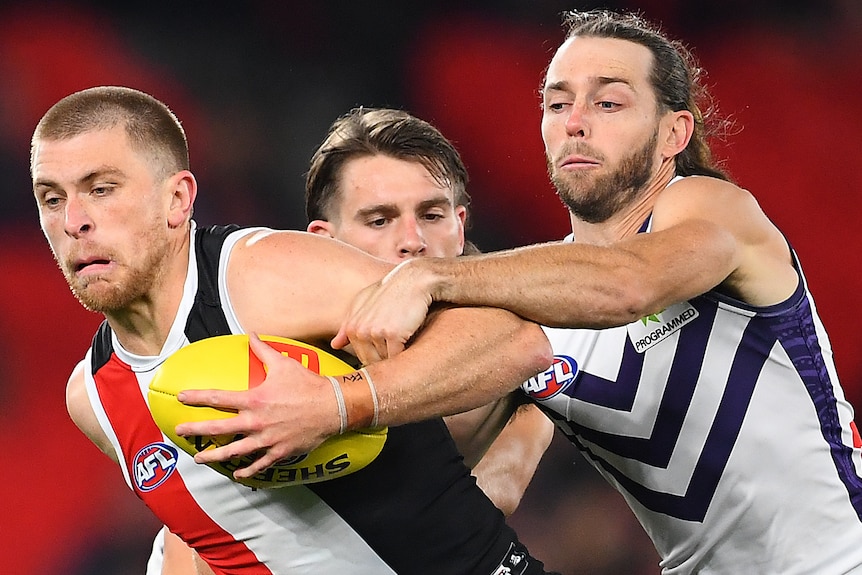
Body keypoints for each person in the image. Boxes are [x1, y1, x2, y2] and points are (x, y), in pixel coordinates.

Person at [179, 9, 862, 574]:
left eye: (609, 101)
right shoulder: (530, 312)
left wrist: (429, 280)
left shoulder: (711, 210)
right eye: (557, 102)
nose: (575, 121)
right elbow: (471, 493)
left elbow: (626, 283)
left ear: (673, 133)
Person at [31, 85, 556, 575]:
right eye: (52, 199)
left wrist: (336, 405)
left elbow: (515, 340)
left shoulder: (259, 275)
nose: (74, 220)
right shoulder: (93, 401)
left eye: (101, 189)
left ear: (177, 199)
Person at [303, 106, 554, 516]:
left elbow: (485, 511)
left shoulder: (521, 358)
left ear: (460, 227)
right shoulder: (270, 335)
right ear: (322, 241)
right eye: (380, 220)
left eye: (431, 215)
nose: (413, 241)